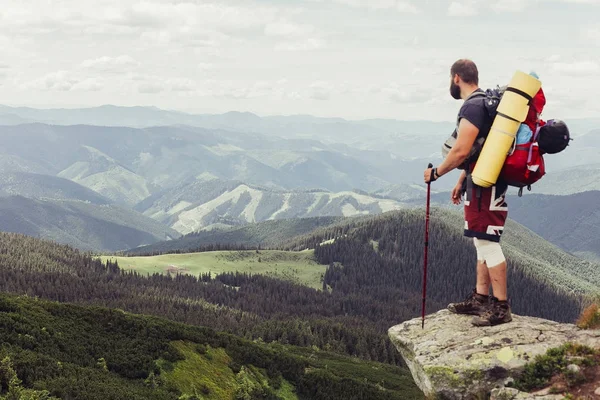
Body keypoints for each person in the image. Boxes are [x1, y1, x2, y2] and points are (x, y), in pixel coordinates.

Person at [423, 59, 512, 327]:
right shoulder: (483, 103)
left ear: (457, 77)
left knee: (488, 241)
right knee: (479, 239)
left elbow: (461, 150)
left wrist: (437, 173)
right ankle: (480, 299)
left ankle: (501, 308)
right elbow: (480, 149)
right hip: (482, 179)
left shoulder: (472, 106)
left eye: (451, 79)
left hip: (487, 184)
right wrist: (462, 179)